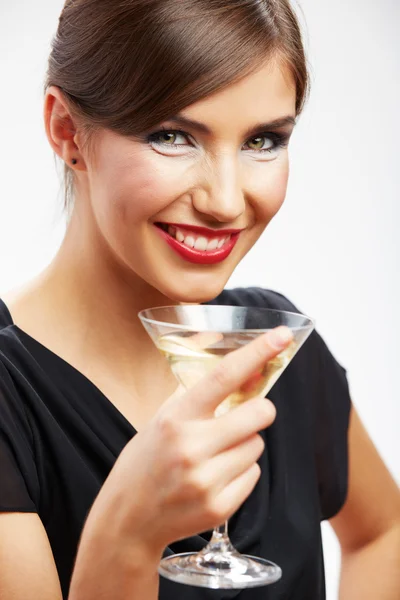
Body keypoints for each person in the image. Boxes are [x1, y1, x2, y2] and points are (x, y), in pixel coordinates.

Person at [0, 0, 399, 598]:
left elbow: (382, 532)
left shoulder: (272, 350)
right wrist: (126, 537)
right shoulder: (11, 402)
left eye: (263, 140)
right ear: (66, 131)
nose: (226, 200)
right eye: (173, 136)